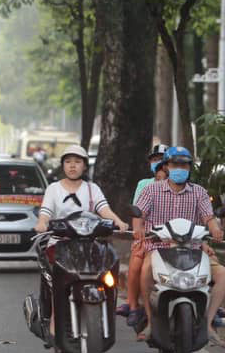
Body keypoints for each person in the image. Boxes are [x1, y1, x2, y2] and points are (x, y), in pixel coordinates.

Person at [132, 147, 225, 343]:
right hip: (158, 248)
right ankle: (150, 321)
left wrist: (215, 229)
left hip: (192, 248)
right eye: (175, 164)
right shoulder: (151, 189)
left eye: (184, 165)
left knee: (222, 275)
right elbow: (137, 214)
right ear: (166, 166)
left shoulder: (199, 192)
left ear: (190, 168)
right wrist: (139, 229)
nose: (179, 168)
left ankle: (208, 322)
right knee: (145, 270)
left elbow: (209, 217)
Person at [33, 145, 127, 337]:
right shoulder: (54, 189)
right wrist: (42, 223)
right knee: (55, 281)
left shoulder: (92, 189)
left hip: (89, 243)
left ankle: (104, 310)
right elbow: (45, 213)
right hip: (59, 242)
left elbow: (104, 210)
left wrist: (118, 221)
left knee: (105, 271)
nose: (72, 166)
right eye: (68, 162)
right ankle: (54, 319)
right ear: (63, 166)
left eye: (77, 162)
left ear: (85, 166)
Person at [124, 144, 168, 337]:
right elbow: (138, 212)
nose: (158, 163)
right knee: (137, 265)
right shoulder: (145, 186)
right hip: (151, 236)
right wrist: (138, 232)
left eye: (163, 159)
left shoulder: (189, 190)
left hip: (179, 239)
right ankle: (133, 305)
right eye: (155, 159)